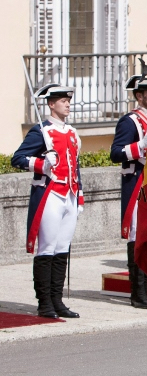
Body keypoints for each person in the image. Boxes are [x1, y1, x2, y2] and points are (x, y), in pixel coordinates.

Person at [12, 84, 83, 319]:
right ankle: (44, 303)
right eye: (63, 100)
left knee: (62, 248)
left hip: (70, 194)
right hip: (50, 193)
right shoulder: (40, 131)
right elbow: (18, 158)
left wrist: (79, 193)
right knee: (47, 248)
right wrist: (43, 163)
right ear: (51, 104)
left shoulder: (72, 132)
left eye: (68, 100)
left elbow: (75, 166)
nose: (68, 104)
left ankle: (57, 300)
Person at [111, 74, 147, 308]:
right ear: (139, 96)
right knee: (135, 235)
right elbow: (116, 153)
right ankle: (138, 292)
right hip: (137, 183)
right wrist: (140, 146)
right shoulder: (130, 121)